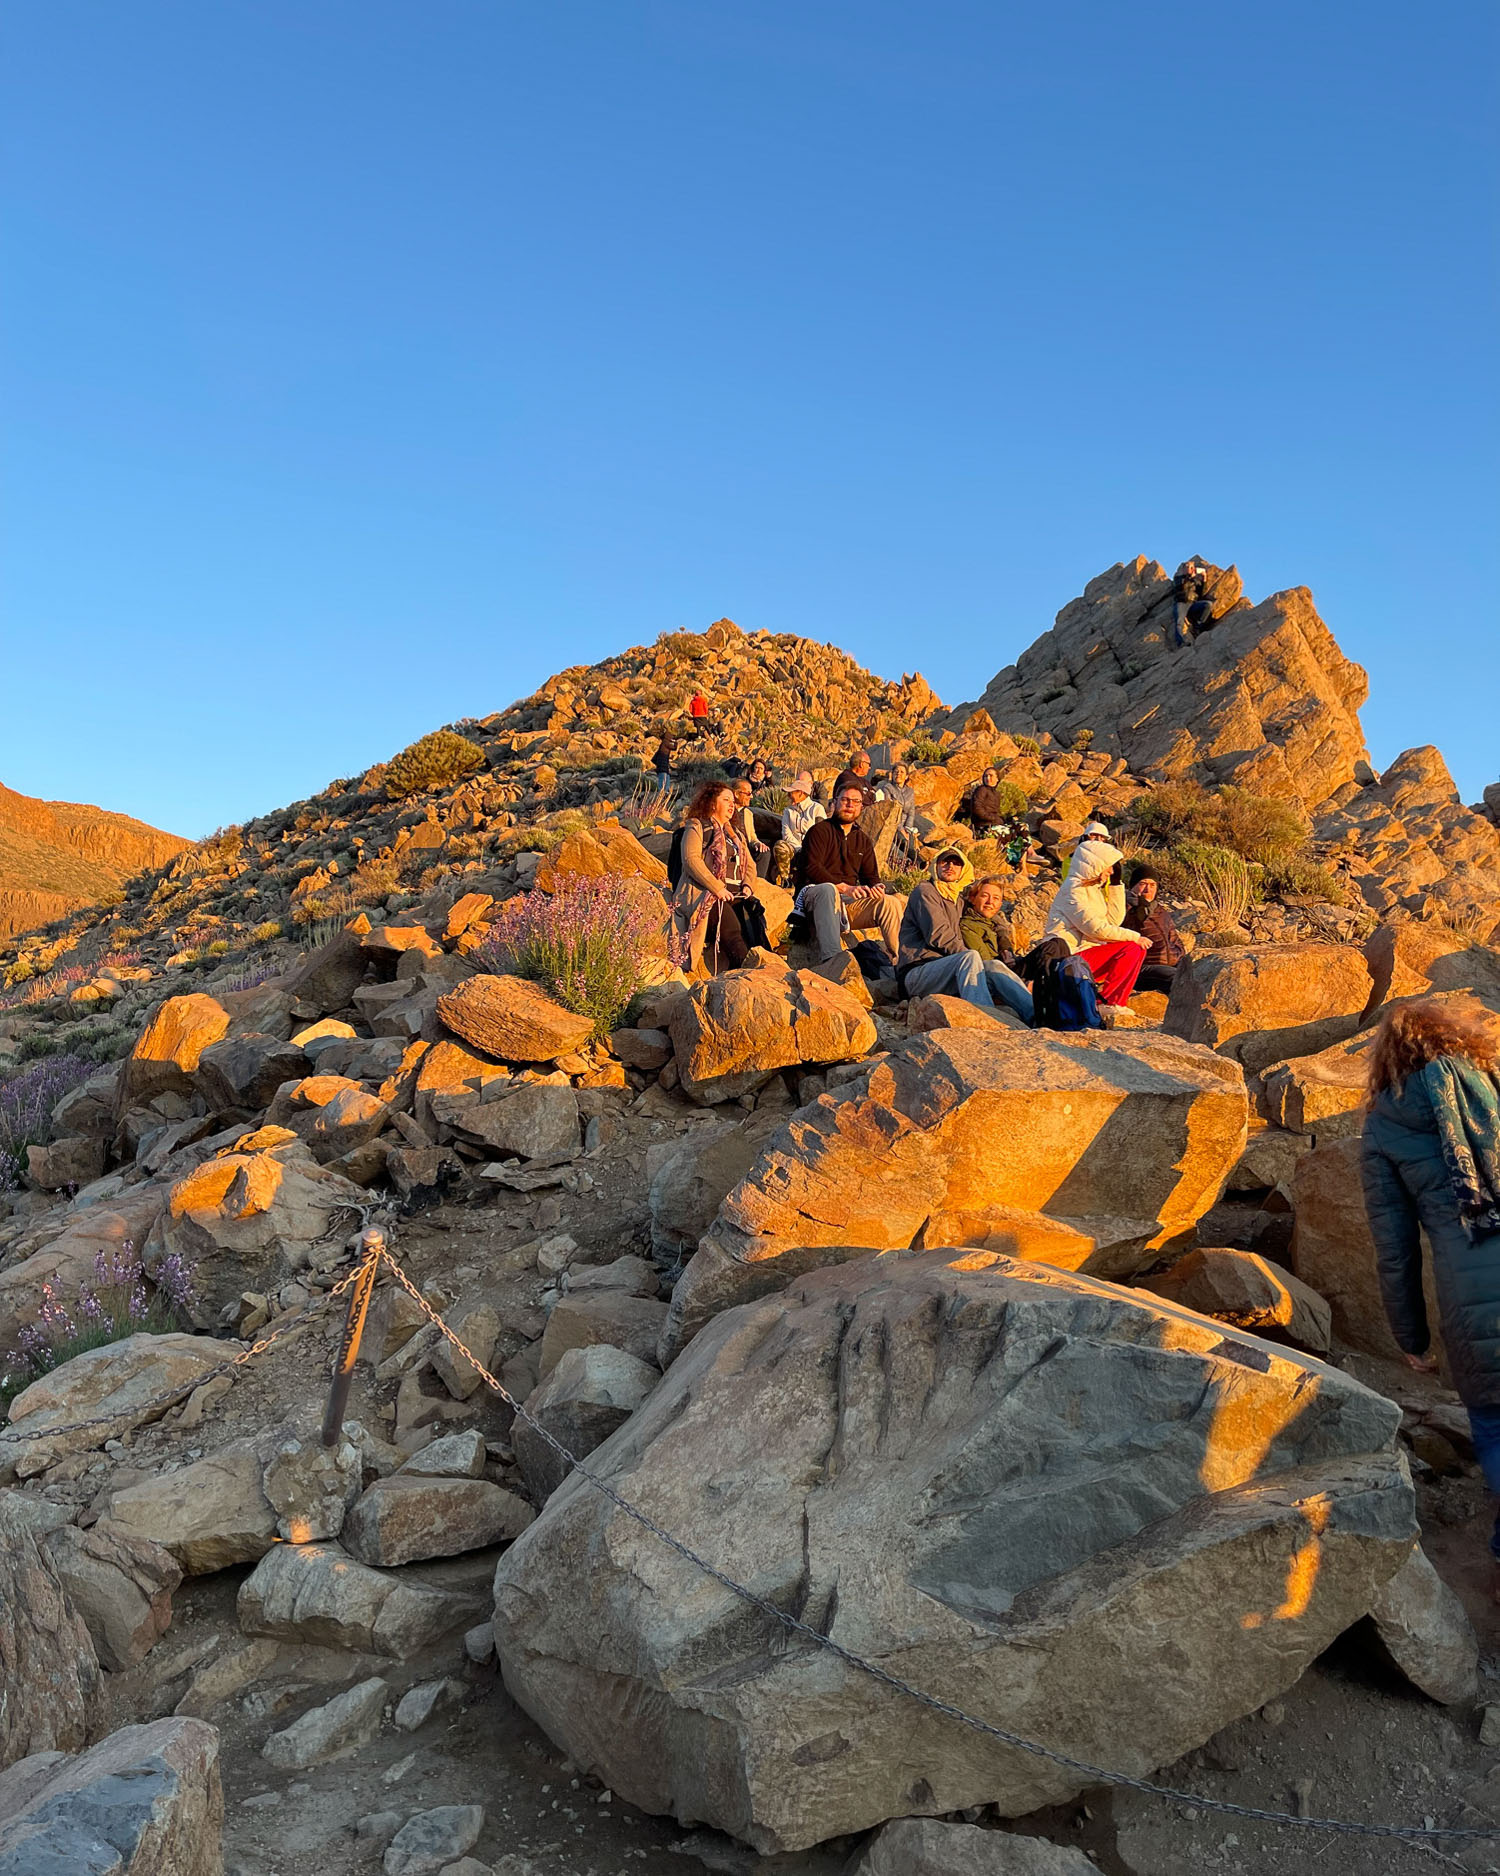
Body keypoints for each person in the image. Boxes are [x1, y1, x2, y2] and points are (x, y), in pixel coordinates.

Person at [1362, 999, 1500, 1588]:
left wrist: (1412, 1338)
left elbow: (1395, 1249)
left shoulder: (1384, 1122)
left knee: (1493, 1420)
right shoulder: (1493, 1086)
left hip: (1472, 1294)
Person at [896, 851, 1033, 1022]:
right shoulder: (925, 891)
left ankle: (1037, 1015)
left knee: (994, 966)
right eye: (945, 862)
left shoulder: (957, 899)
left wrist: (1004, 944)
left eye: (956, 863)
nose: (950, 866)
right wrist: (972, 960)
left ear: (963, 869)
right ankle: (985, 1020)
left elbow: (989, 914)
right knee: (970, 957)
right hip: (917, 973)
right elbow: (938, 935)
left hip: (948, 972)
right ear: (935, 866)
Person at [793, 782, 903, 963]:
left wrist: (876, 887)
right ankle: (833, 961)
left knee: (890, 903)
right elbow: (811, 868)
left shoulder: (862, 840)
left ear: (862, 807)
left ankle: (899, 963)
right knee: (828, 889)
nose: (850, 805)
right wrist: (844, 887)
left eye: (856, 801)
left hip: (845, 904)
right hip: (815, 897)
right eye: (845, 800)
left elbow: (870, 877)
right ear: (835, 802)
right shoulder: (819, 831)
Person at [1041, 832, 1150, 1010]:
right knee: (1132, 947)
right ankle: (1108, 1002)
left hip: (1083, 956)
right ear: (1095, 864)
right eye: (1109, 866)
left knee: (1135, 949)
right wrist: (1135, 936)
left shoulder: (1092, 889)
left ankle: (1111, 1001)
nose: (1111, 871)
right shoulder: (1073, 890)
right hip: (1067, 959)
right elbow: (1094, 929)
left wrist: (1115, 884)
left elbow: (1113, 922)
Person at [672, 781, 756, 974]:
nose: (731, 804)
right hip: (708, 894)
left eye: (732, 801)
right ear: (711, 803)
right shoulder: (697, 826)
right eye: (726, 800)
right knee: (733, 933)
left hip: (737, 894)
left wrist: (748, 886)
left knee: (754, 928)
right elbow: (691, 859)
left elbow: (750, 865)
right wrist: (717, 888)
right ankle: (747, 975)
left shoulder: (736, 835)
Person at [960, 874, 1035, 1022]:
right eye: (984, 896)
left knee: (1053, 947)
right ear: (972, 899)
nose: (990, 902)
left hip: (1005, 968)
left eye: (995, 898)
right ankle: (1035, 1014)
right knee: (994, 965)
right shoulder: (968, 925)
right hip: (985, 975)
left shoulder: (994, 924)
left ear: (1000, 904)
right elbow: (984, 961)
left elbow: (1002, 935)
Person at [1122, 866, 1184, 995]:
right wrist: (1137, 907)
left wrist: (1179, 956)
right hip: (1142, 967)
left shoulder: (1159, 910)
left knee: (1198, 975)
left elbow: (1174, 938)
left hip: (1171, 964)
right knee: (1176, 979)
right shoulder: (1123, 908)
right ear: (1133, 886)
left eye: (1152, 885)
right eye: (1143, 884)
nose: (1148, 889)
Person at [771, 771, 826, 886]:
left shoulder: (817, 809)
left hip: (812, 849)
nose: (788, 796)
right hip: (794, 848)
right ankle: (786, 880)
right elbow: (786, 834)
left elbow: (821, 834)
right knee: (780, 846)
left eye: (791, 793)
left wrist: (806, 849)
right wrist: (798, 849)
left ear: (800, 793)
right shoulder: (788, 811)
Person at [731, 778, 773, 879]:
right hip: (733, 847)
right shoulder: (727, 810)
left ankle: (757, 881)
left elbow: (752, 837)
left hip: (747, 848)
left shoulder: (748, 813)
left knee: (764, 852)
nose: (751, 796)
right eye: (748, 793)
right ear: (736, 794)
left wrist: (757, 843)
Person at [1170, 559, 1213, 649]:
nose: (1190, 569)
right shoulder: (1178, 578)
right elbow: (1182, 587)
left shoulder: (1195, 581)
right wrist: (1191, 578)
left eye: (1191, 567)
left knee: (1208, 604)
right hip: (1182, 603)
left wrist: (1204, 580)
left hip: (1193, 604)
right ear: (1183, 569)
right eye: (1187, 567)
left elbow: (1201, 594)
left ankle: (1197, 627)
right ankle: (1181, 642)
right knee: (1179, 621)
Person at [963, 767, 1013, 836]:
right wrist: (993, 818)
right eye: (985, 776)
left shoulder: (996, 793)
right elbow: (977, 808)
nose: (988, 778)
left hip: (994, 824)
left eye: (991, 776)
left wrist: (1005, 819)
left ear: (997, 779)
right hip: (983, 826)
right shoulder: (981, 790)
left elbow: (996, 812)